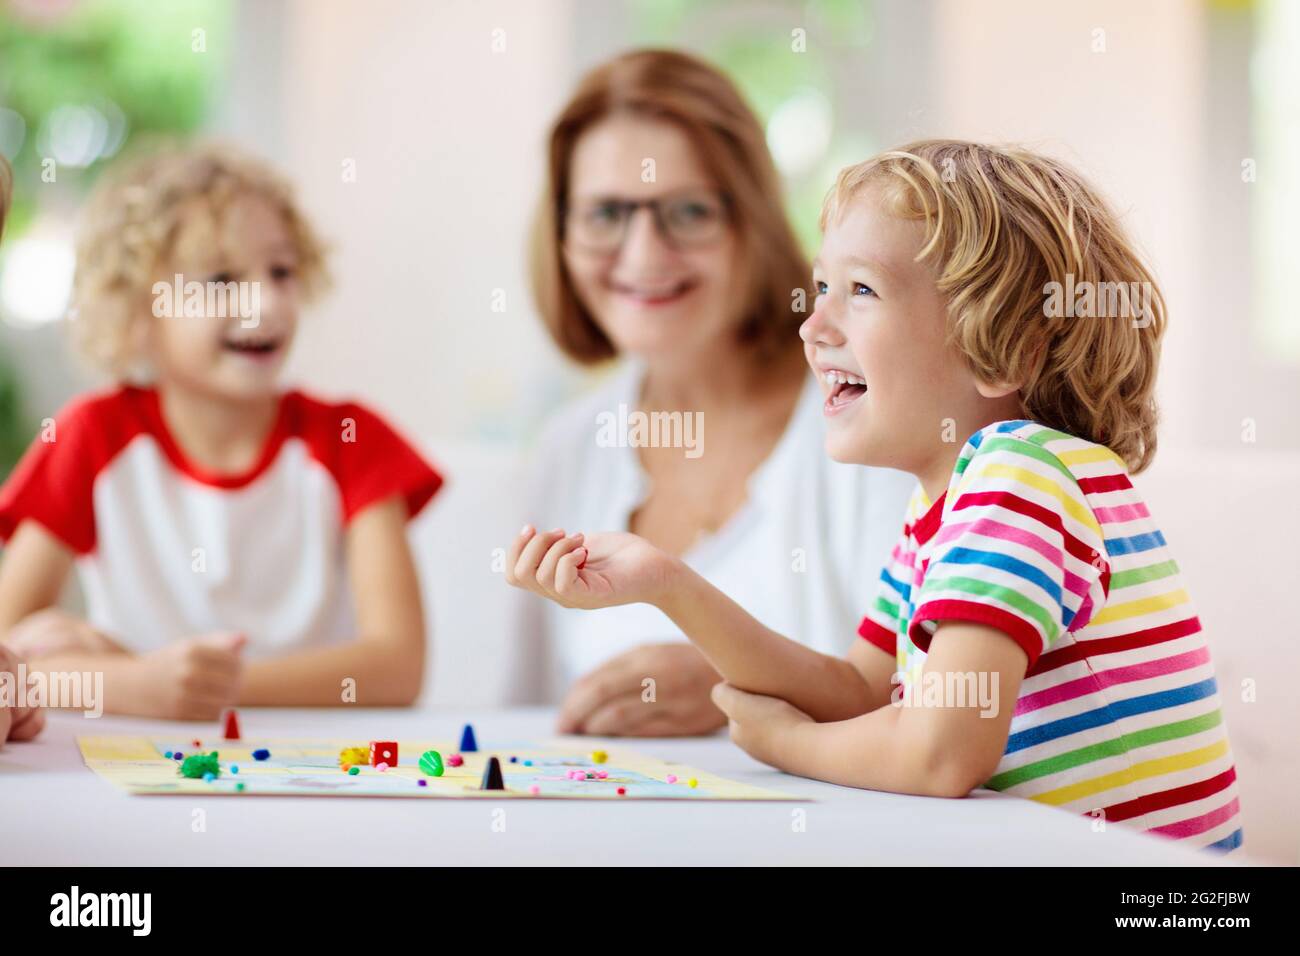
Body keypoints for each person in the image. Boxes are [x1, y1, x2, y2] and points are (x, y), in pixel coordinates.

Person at [507, 139, 1242, 851]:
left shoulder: (1019, 476)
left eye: (860, 291)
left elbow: (940, 753)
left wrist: (793, 745)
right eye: (821, 287)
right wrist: (664, 582)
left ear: (1008, 352)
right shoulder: (942, 509)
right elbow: (859, 691)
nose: (813, 324)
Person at [520, 49, 912, 735]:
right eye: (606, 214)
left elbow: (945, 709)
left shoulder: (875, 424)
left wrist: (736, 681)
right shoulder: (569, 449)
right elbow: (525, 722)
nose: (643, 255)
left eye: (690, 211)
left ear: (751, 223)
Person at [0, 144, 441, 717]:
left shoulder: (351, 437)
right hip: (131, 775)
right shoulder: (92, 435)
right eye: (221, 279)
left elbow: (398, 666)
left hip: (321, 770)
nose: (266, 301)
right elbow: (9, 655)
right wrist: (138, 684)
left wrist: (196, 686)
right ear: (138, 307)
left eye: (281, 271)